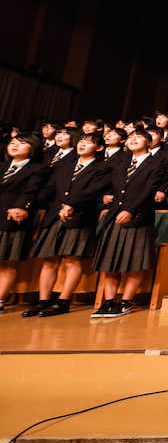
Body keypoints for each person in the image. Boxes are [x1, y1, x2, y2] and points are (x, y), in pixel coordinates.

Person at [23, 133, 112, 317]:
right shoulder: (64, 165)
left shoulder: (102, 168)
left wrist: (72, 204)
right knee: (48, 260)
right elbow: (49, 189)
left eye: (89, 142)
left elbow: (93, 191)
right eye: (81, 141)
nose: (83, 144)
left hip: (80, 216)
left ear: (99, 148)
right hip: (55, 215)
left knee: (72, 259)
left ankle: (63, 301)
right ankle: (43, 301)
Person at [91, 130, 166, 318]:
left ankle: (126, 301)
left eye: (138, 137)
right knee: (110, 261)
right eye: (131, 137)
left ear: (149, 143)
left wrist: (131, 210)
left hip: (138, 217)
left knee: (134, 262)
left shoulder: (156, 163)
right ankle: (109, 302)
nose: (133, 139)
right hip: (115, 215)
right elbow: (107, 184)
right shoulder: (121, 162)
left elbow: (148, 191)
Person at [0, 136, 44, 312]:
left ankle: (1, 298)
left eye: (21, 143)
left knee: (7, 262)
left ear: (33, 148)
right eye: (12, 143)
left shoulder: (37, 169)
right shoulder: (2, 166)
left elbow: (31, 191)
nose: (15, 145)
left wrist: (21, 206)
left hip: (13, 218)